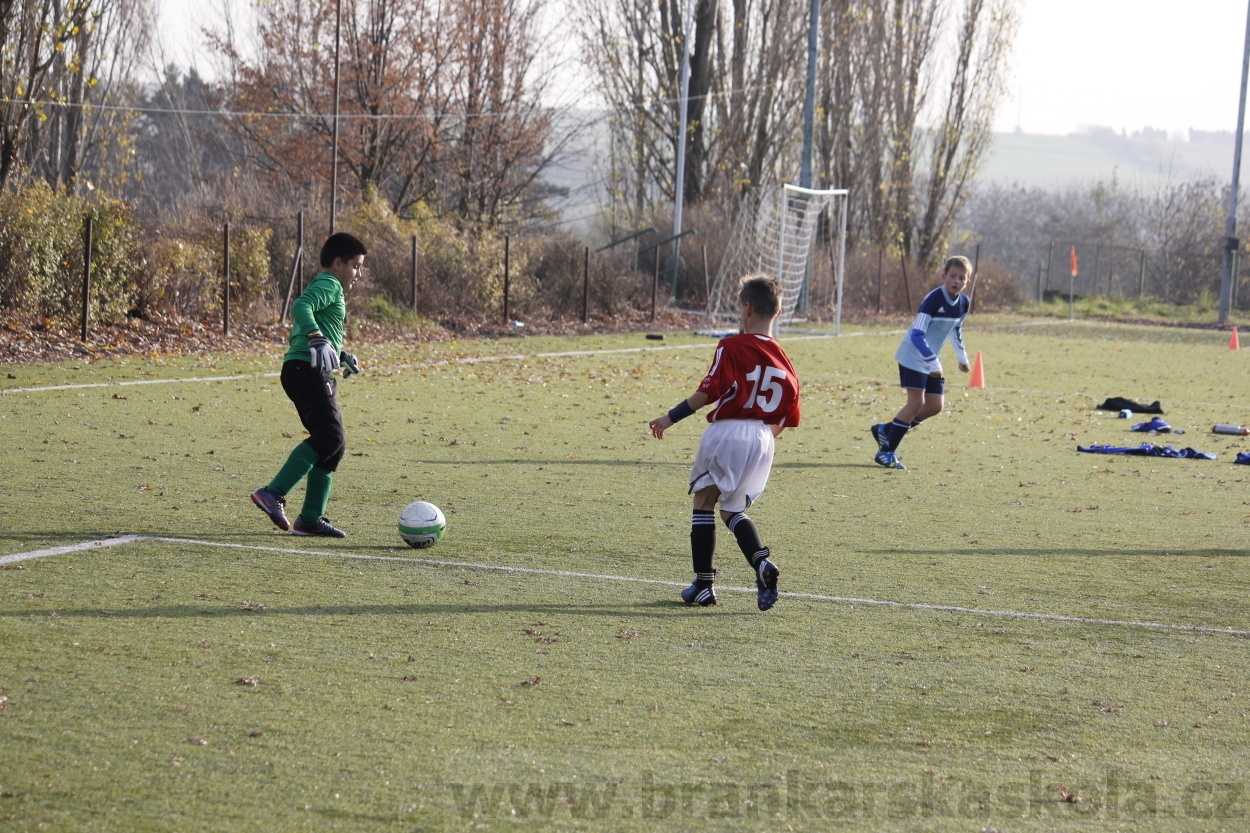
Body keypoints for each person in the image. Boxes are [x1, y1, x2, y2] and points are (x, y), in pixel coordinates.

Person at [648, 274, 800, 611]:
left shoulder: (731, 346)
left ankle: (704, 585)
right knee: (732, 509)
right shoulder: (786, 361)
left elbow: (708, 393)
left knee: (703, 503)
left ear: (747, 308)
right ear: (777, 312)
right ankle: (762, 563)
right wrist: (758, 439)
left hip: (731, 431)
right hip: (764, 439)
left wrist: (669, 417)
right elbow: (787, 416)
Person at [250, 232, 367, 537]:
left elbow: (316, 325)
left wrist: (339, 353)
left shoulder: (330, 288)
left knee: (333, 446)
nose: (358, 273)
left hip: (310, 368)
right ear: (338, 263)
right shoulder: (329, 283)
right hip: (306, 369)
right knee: (329, 436)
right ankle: (271, 493)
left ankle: (310, 519)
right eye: (356, 266)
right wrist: (317, 338)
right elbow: (301, 307)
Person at [870, 255, 972, 470]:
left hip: (932, 358)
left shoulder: (963, 303)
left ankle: (887, 430)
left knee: (935, 406)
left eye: (961, 278)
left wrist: (962, 358)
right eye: (953, 276)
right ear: (944, 276)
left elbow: (956, 328)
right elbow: (917, 334)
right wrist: (932, 361)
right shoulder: (933, 300)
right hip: (913, 355)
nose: (956, 281)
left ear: (967, 282)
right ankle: (886, 451)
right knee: (916, 403)